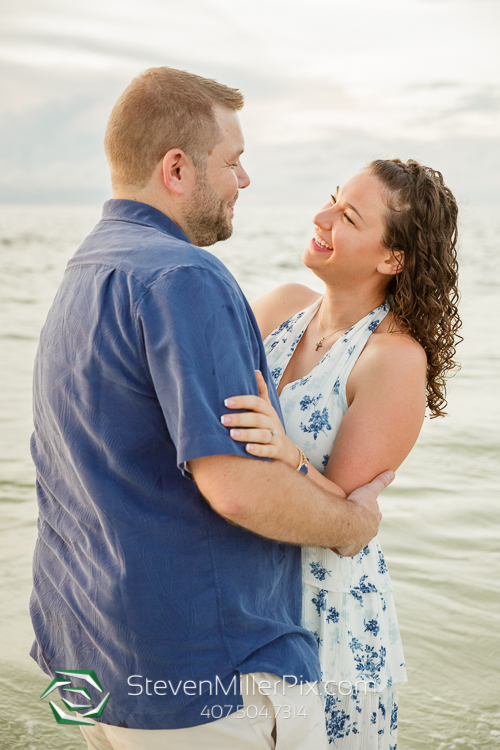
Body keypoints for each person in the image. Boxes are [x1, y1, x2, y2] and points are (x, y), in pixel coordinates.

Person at [29, 67, 393, 750]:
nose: (244, 181)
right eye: (234, 161)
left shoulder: (87, 267)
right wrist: (352, 522)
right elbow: (236, 487)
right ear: (176, 168)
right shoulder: (184, 276)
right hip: (198, 677)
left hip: (86, 654)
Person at [221, 158, 461, 747]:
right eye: (331, 199)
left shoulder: (392, 360)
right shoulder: (280, 307)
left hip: (324, 615)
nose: (321, 217)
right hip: (239, 594)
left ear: (392, 259)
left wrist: (287, 454)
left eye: (347, 216)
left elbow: (343, 522)